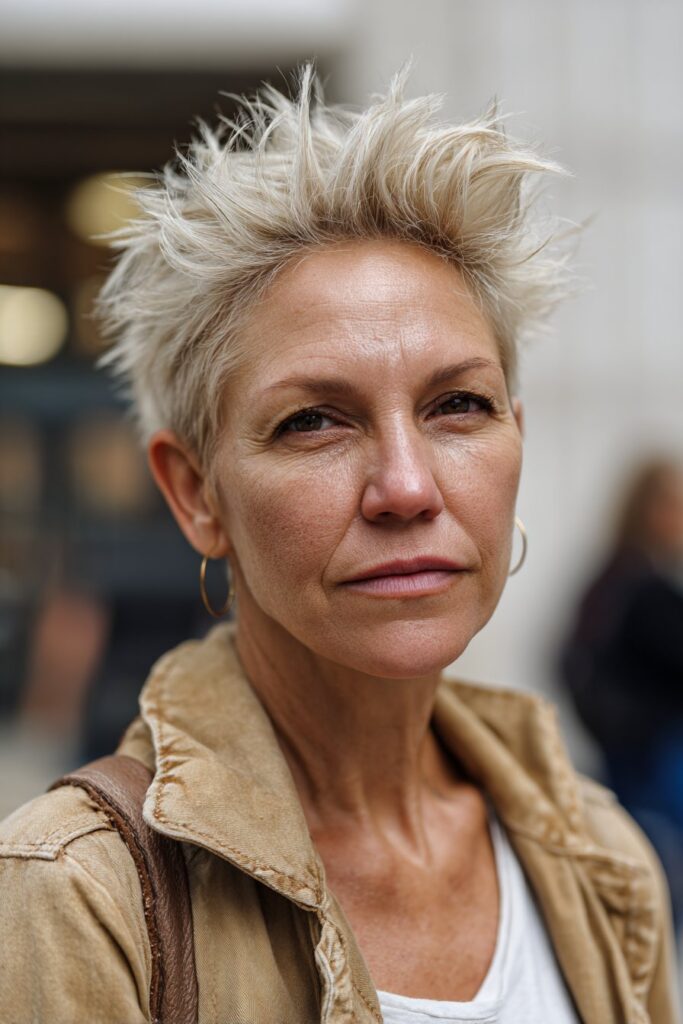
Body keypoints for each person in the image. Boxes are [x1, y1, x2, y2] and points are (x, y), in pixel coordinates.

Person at [0, 67, 679, 1024]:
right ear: (196, 494)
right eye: (314, 421)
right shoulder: (79, 896)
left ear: (514, 437)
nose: (406, 485)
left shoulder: (601, 859)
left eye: (458, 406)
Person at [560, 457, 683, 932]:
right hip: (654, 753)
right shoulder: (641, 586)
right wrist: (631, 726)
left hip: (633, 752)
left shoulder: (611, 578)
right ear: (648, 510)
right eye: (672, 505)